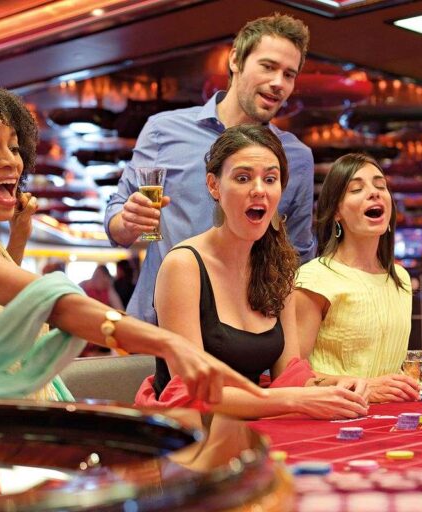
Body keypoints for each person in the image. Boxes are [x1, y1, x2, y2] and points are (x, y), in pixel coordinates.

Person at [0, 81, 265, 403]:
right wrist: (168, 342)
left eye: (14, 146)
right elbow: (53, 304)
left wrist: (19, 240)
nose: (12, 161)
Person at [136, 125, 369, 420]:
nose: (259, 189)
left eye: (270, 179)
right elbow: (192, 391)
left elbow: (290, 376)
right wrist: (295, 400)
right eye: (243, 178)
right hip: (186, 434)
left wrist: (340, 385)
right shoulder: (183, 265)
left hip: (253, 425)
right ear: (214, 185)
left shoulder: (277, 265)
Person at [105, 13, 316, 325]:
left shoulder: (296, 157)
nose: (278, 83)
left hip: (243, 333)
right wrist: (129, 221)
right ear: (235, 60)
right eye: (268, 67)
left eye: (289, 74)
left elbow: (297, 261)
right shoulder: (163, 130)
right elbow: (116, 221)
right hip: (158, 326)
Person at [293, 154, 421, 403]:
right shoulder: (314, 279)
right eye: (357, 189)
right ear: (336, 212)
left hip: (392, 419)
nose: (374, 193)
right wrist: (364, 388)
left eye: (380, 186)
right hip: (333, 420)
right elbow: (291, 376)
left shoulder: (400, 279)